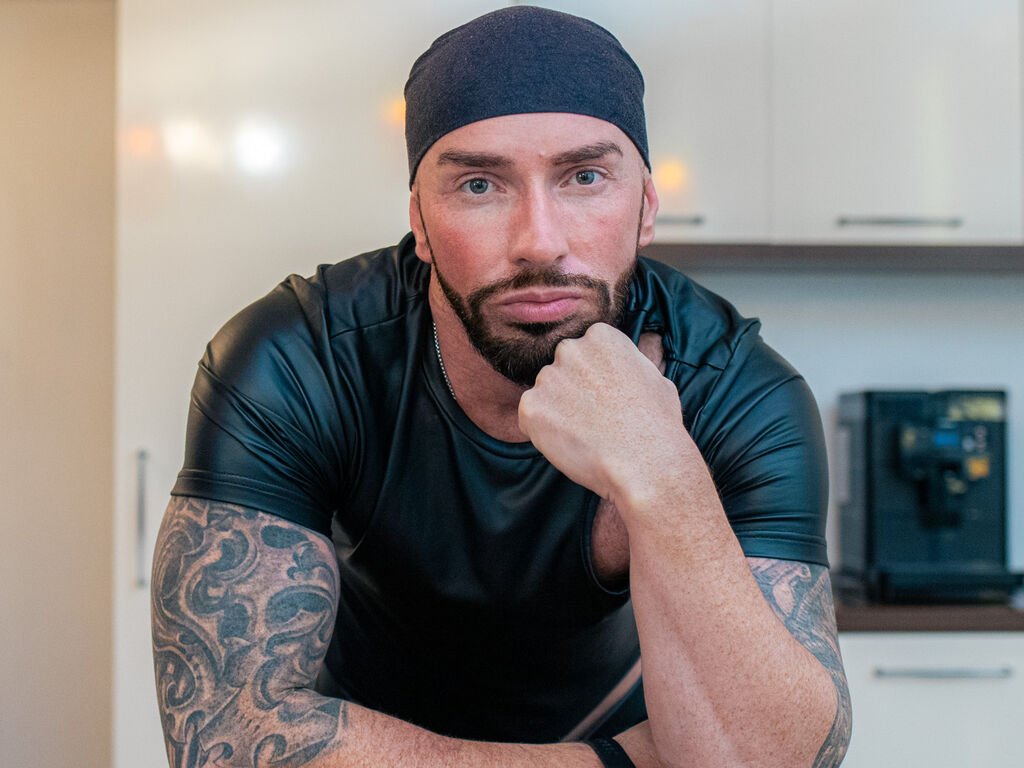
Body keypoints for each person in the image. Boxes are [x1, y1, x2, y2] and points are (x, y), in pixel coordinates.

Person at [151, 6, 851, 768]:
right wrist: (617, 763)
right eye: (480, 185)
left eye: (585, 177)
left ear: (646, 207)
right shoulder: (300, 358)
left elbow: (774, 760)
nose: (539, 242)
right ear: (420, 222)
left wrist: (661, 472)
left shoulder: (737, 392)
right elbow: (227, 739)